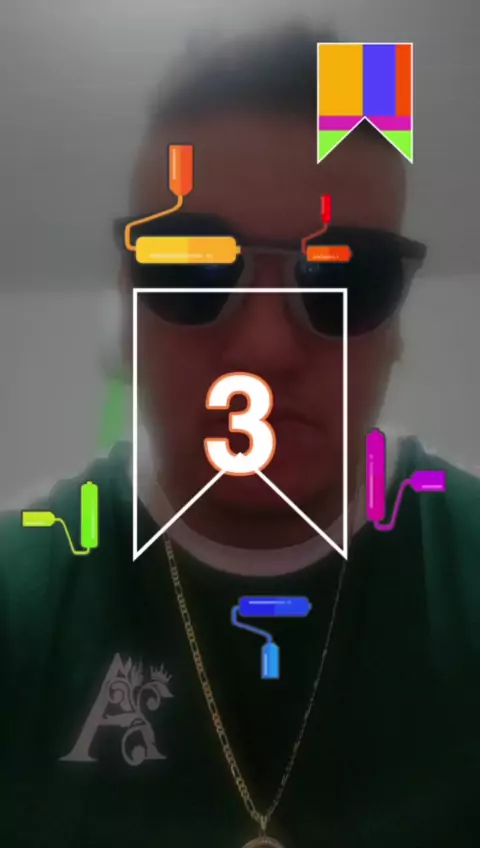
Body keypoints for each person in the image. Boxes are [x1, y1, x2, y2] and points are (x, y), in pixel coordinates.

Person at [1, 23, 480, 848]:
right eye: (187, 268)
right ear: (127, 313)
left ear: (396, 328)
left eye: (346, 277)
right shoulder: (19, 601)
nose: (262, 350)